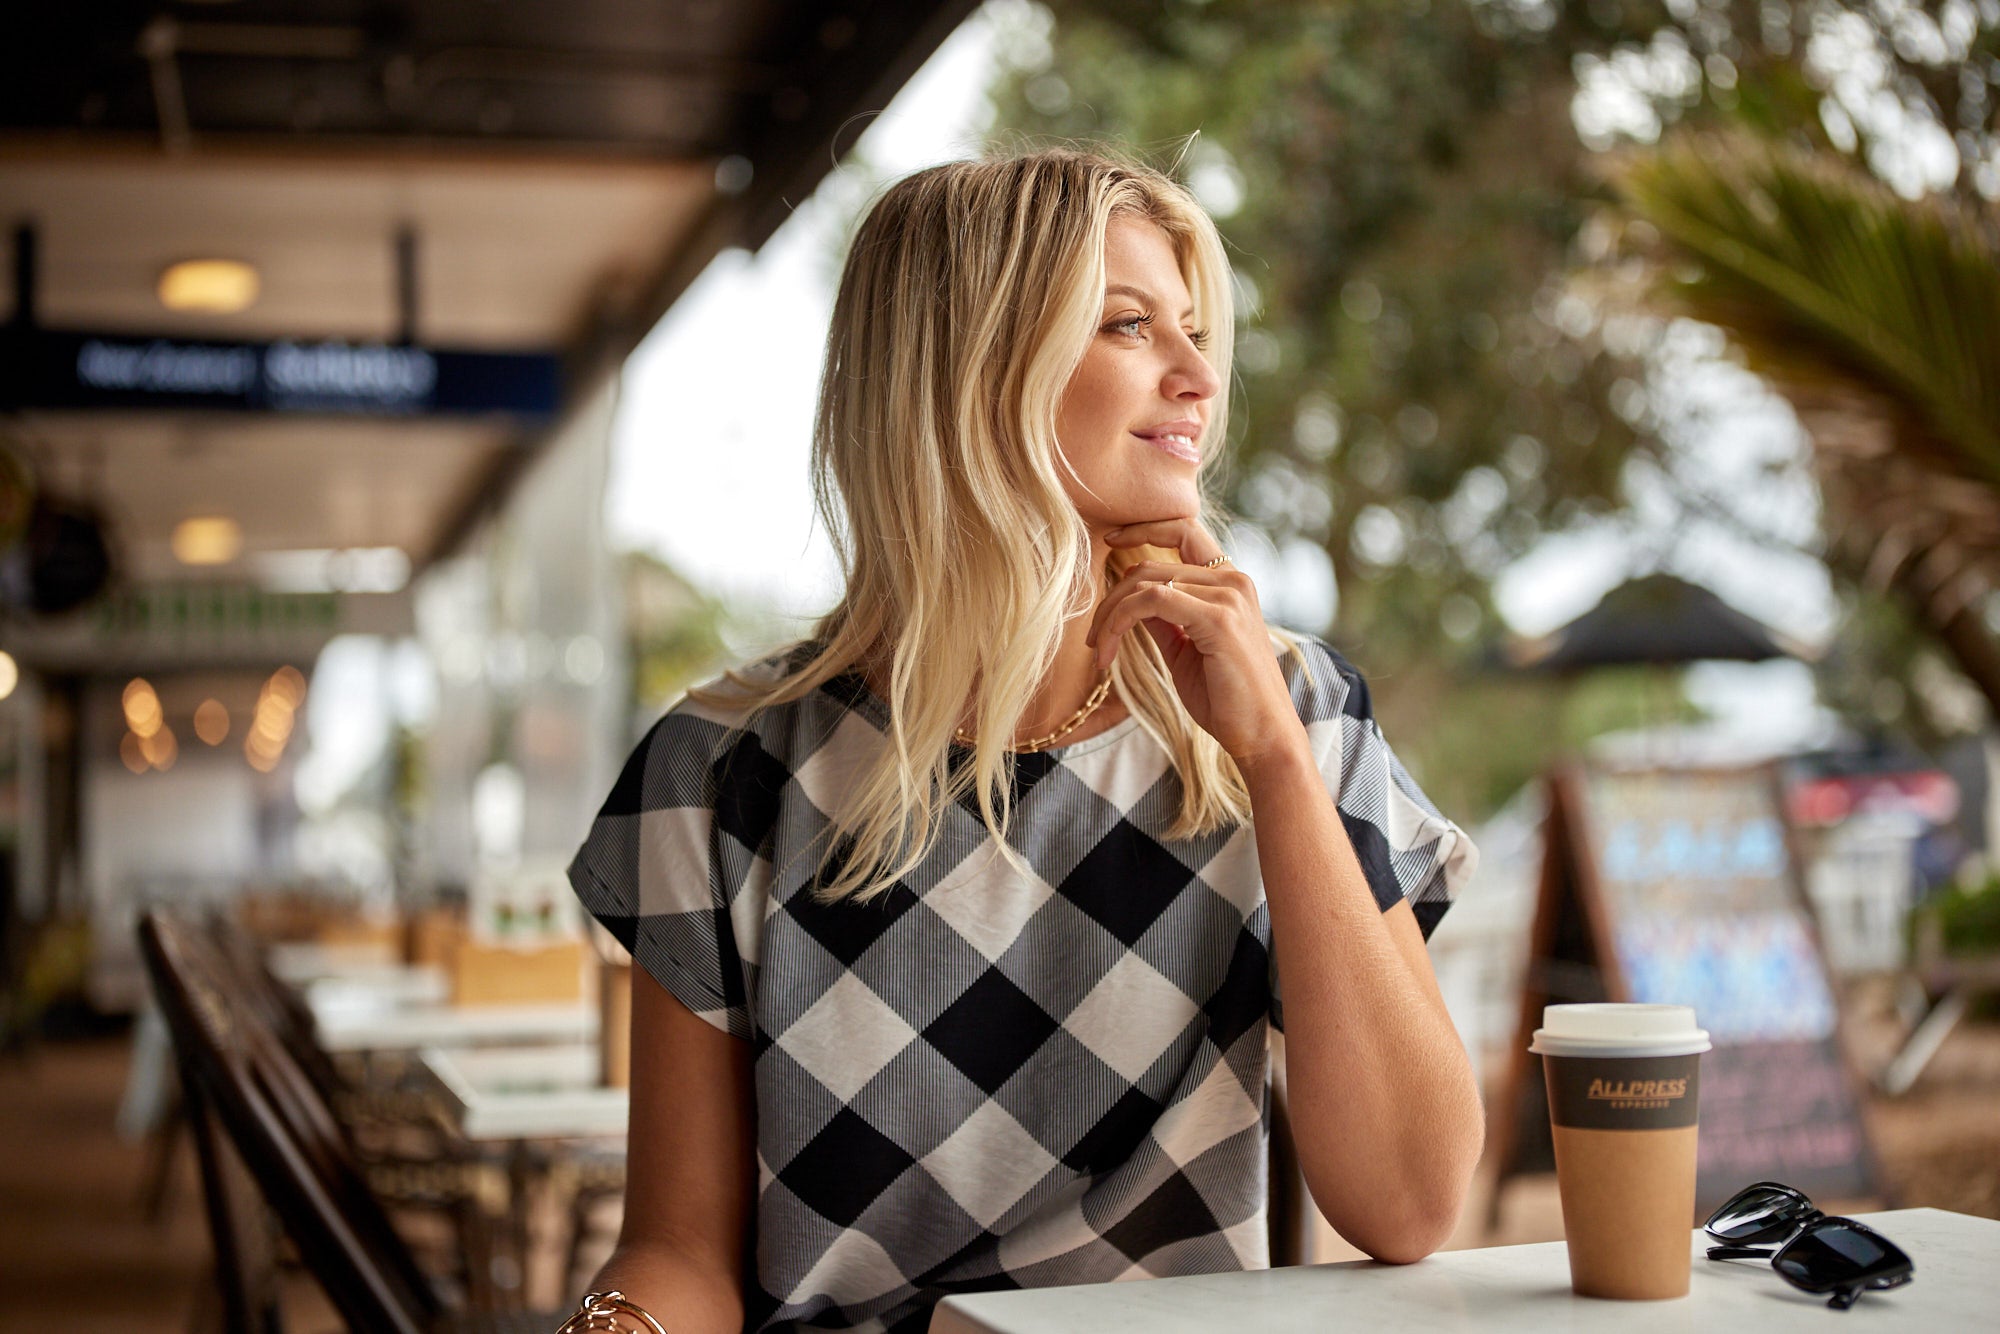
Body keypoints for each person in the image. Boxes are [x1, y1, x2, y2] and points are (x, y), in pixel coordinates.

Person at [562, 147, 1483, 1334]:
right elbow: (677, 1247)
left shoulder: (1292, 715)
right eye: (1128, 326)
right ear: (971, 371)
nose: (1199, 375)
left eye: (1193, 330)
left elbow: (1408, 1202)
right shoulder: (717, 770)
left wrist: (1275, 765)